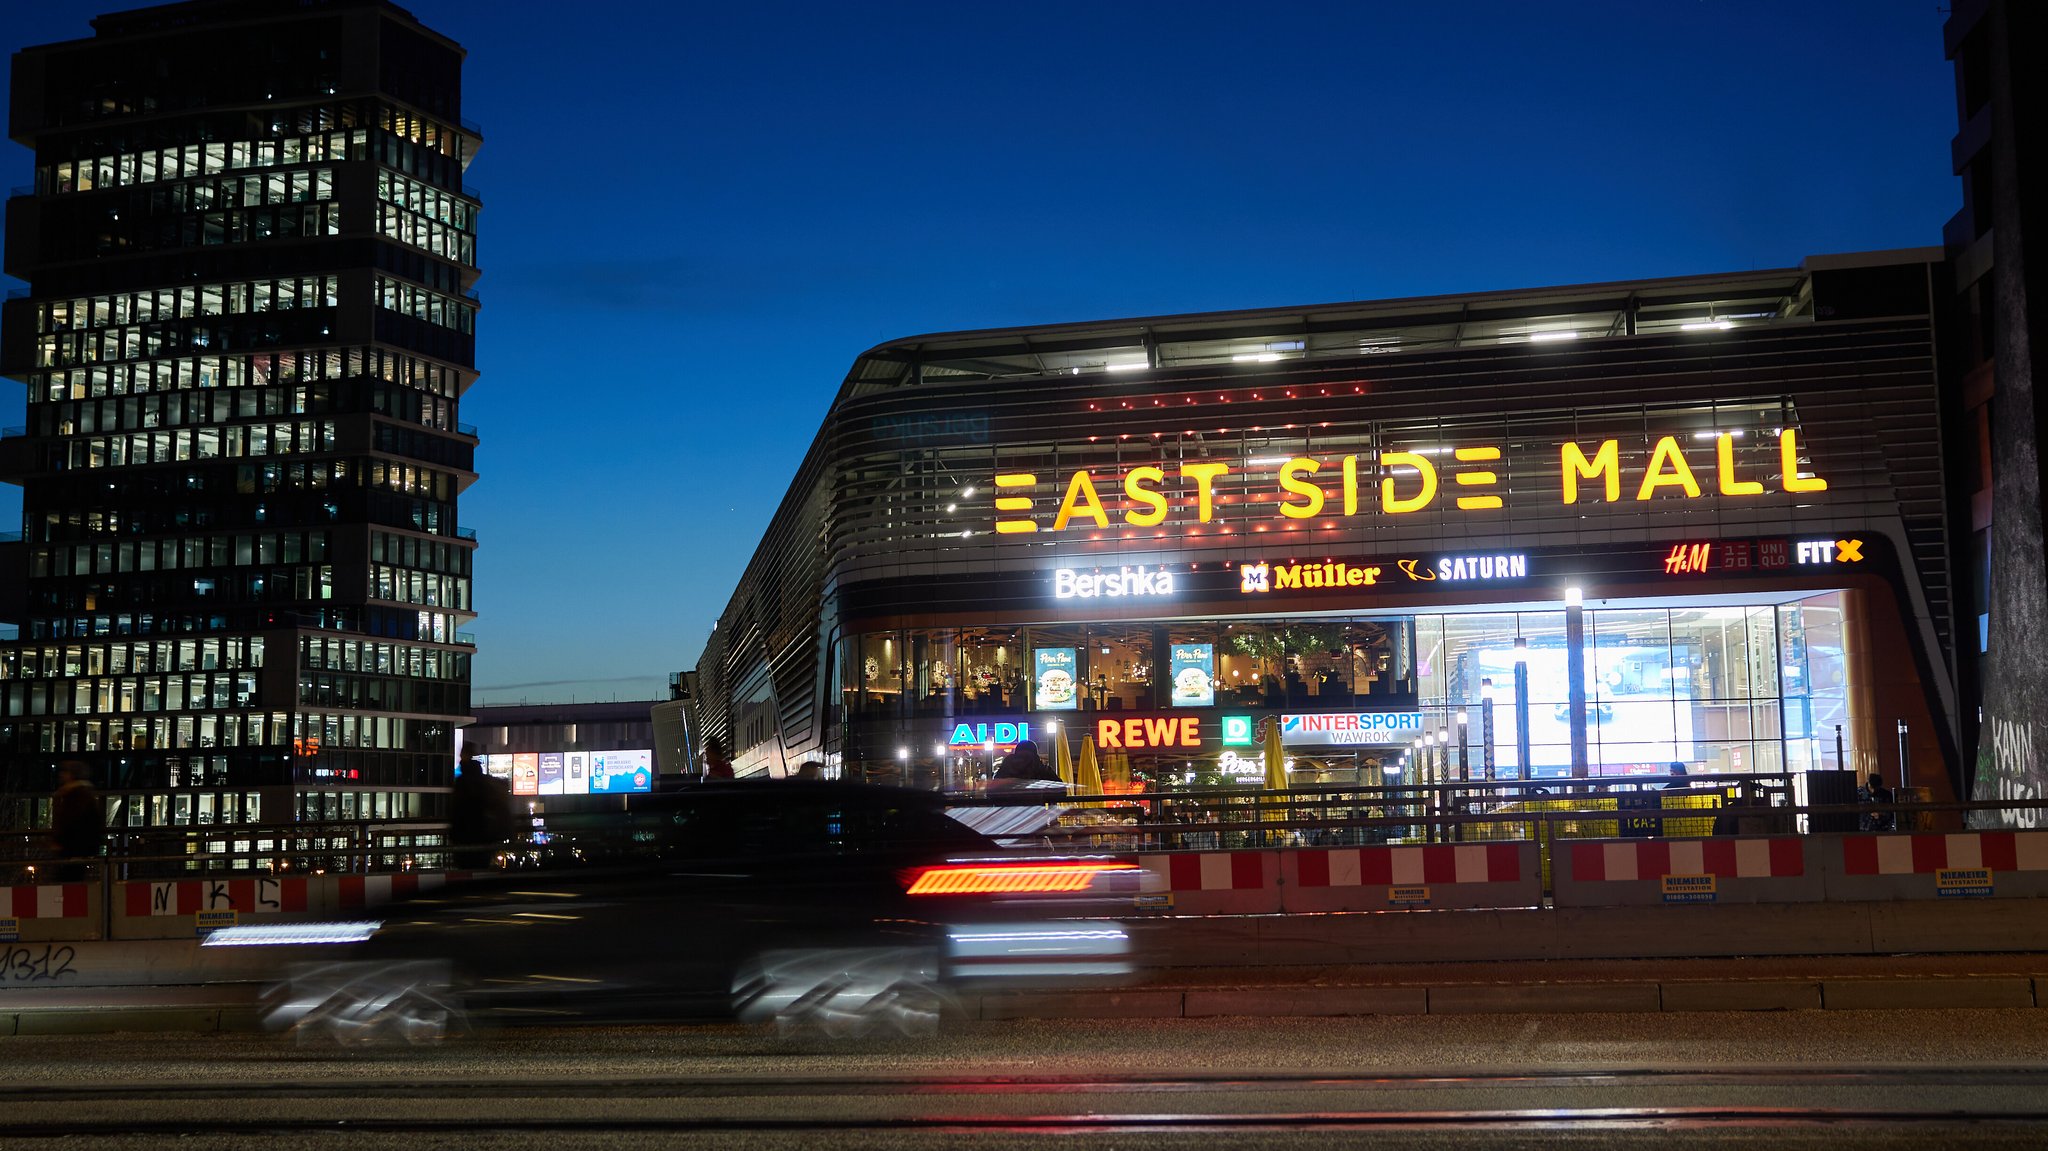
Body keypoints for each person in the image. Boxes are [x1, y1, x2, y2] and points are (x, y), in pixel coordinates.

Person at [449, 758, 514, 869]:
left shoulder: (462, 785)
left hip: (464, 839)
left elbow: (455, 813)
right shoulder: (485, 786)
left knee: (466, 870)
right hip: (483, 838)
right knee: (480, 868)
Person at [50, 761, 104, 881]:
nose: (61, 775)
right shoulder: (82, 793)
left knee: (68, 881)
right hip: (77, 848)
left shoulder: (74, 795)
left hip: (73, 849)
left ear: (71, 775)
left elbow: (70, 821)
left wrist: (59, 841)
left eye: (64, 772)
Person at [990, 738, 1060, 784]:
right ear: (1035, 754)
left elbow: (993, 791)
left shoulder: (1006, 768)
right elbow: (1060, 789)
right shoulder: (1040, 769)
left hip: (1008, 805)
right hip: (1034, 804)